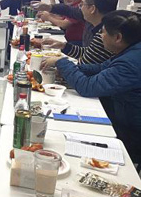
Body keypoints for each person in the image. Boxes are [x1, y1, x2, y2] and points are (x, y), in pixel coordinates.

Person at [45, 11, 141, 165]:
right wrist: (72, 69)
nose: (100, 36)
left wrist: (61, 62)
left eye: (103, 32)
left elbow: (87, 88)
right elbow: (102, 67)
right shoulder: (131, 51)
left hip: (130, 131)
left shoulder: (129, 64)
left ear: (117, 38)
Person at [39, 0, 117, 65]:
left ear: (92, 9)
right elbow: (89, 53)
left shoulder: (104, 35)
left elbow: (84, 67)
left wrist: (58, 62)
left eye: (82, 4)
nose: (80, 8)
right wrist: (63, 46)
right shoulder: (103, 27)